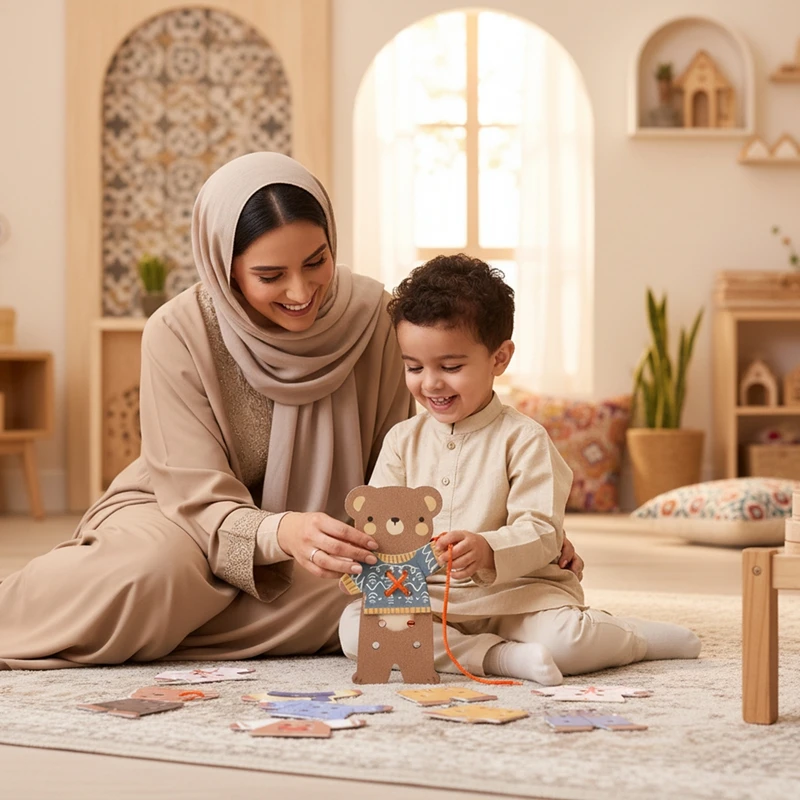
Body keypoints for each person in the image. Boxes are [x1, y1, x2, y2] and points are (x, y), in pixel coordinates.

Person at [0, 153, 583, 669]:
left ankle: (148, 627)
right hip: (184, 519)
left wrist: (516, 537)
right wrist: (279, 531)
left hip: (330, 537)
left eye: (316, 261)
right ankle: (106, 610)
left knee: (376, 589)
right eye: (270, 275)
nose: (302, 292)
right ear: (225, 267)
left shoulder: (374, 317)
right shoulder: (178, 332)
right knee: (154, 573)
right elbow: (192, 492)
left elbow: (423, 456)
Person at [339, 255, 701, 685]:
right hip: (428, 597)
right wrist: (368, 556)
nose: (430, 383)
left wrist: (488, 548)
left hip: (518, 595)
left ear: (499, 358)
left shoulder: (525, 439)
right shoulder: (402, 440)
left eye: (450, 367)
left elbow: (542, 529)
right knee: (355, 628)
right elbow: (381, 526)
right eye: (414, 367)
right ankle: (499, 658)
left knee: (568, 642)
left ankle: (634, 638)